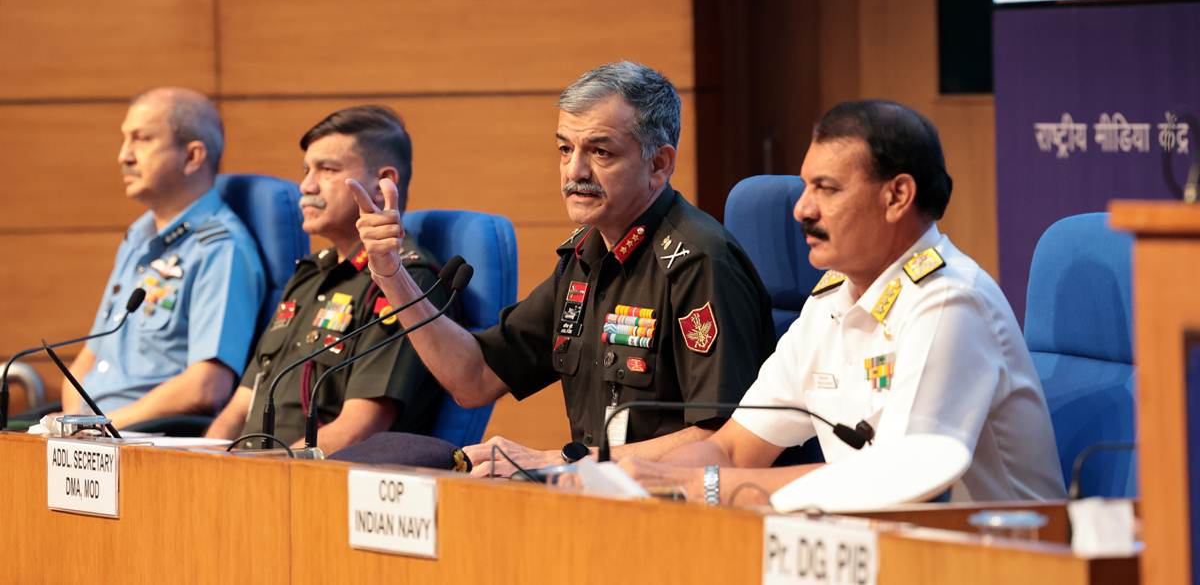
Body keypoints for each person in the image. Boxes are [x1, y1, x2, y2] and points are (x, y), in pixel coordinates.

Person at [620, 100, 1066, 504]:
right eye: (806, 188)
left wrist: (701, 488)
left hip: (996, 559)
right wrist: (632, 481)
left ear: (897, 196)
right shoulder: (830, 300)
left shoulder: (949, 303)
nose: (802, 210)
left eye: (827, 189)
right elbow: (735, 447)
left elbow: (895, 483)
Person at [349, 61, 775, 474]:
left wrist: (562, 460)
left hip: (681, 511)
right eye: (565, 149)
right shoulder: (583, 257)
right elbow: (473, 378)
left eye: (601, 151)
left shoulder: (698, 261)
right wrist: (391, 274)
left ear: (659, 164)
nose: (575, 171)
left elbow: (720, 439)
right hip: (600, 499)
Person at [206, 106, 448, 452]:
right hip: (250, 474)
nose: (306, 186)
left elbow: (357, 429)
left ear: (384, 185)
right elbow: (242, 403)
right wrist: (207, 463)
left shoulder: (407, 284)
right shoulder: (308, 276)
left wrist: (256, 476)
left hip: (316, 485)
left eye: (327, 169)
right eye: (306, 170)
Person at [63, 87, 266, 428]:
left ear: (192, 157)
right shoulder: (137, 238)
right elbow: (90, 354)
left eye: (142, 139)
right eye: (125, 139)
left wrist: (101, 426)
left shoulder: (220, 249)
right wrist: (70, 424)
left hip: (148, 438)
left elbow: (206, 386)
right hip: (97, 435)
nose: (123, 155)